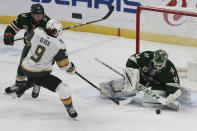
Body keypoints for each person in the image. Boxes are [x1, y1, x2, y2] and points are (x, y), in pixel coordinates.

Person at [14, 19, 77, 118]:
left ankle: (26, 85)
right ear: (54, 30)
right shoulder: (59, 45)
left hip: (25, 67)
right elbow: (64, 66)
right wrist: (72, 68)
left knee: (39, 72)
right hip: (40, 73)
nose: (58, 33)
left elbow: (27, 41)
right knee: (63, 88)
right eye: (58, 31)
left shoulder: (37, 31)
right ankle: (70, 108)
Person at [100, 49, 183, 110]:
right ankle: (106, 89)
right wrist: (132, 75)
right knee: (129, 87)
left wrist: (170, 97)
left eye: (160, 66)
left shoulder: (170, 70)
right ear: (153, 58)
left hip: (158, 84)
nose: (157, 67)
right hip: (142, 78)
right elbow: (132, 60)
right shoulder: (147, 56)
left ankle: (177, 98)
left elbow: (175, 87)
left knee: (147, 102)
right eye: (156, 64)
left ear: (165, 62)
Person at [4, 3, 50, 98]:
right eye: (36, 15)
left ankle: (37, 84)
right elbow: (11, 28)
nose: (39, 17)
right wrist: (8, 35)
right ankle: (19, 84)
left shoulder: (48, 22)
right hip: (29, 45)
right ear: (31, 14)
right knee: (22, 64)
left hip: (43, 47)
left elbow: (52, 40)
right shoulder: (24, 18)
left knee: (39, 67)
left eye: (40, 15)